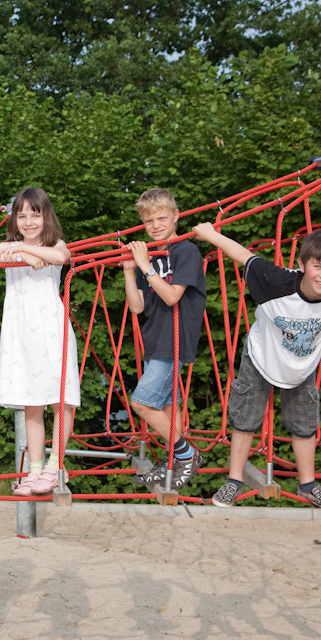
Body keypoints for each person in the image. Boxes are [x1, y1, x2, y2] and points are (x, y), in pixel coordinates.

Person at [193, 222, 321, 509]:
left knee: (305, 425)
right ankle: (233, 481)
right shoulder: (276, 282)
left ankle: (308, 486)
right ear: (302, 264)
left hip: (302, 366)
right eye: (317, 266)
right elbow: (245, 256)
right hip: (262, 358)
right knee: (246, 419)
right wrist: (210, 235)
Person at [0, 187, 80, 496]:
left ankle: (54, 466)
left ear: (45, 216)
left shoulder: (54, 243)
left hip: (50, 325)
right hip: (21, 330)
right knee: (31, 402)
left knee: (61, 398)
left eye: (35, 214)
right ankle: (34, 470)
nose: (28, 221)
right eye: (21, 215)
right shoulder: (9, 246)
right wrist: (22, 252)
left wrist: (29, 252)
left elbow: (61, 256)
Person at [120, 188, 207, 490]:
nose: (155, 226)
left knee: (142, 403)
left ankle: (186, 455)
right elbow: (137, 307)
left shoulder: (186, 252)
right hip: (156, 338)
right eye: (148, 222)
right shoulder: (152, 256)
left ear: (176, 217)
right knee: (170, 408)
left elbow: (172, 297)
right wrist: (131, 272)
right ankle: (173, 462)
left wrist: (144, 264)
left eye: (161, 218)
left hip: (175, 340)